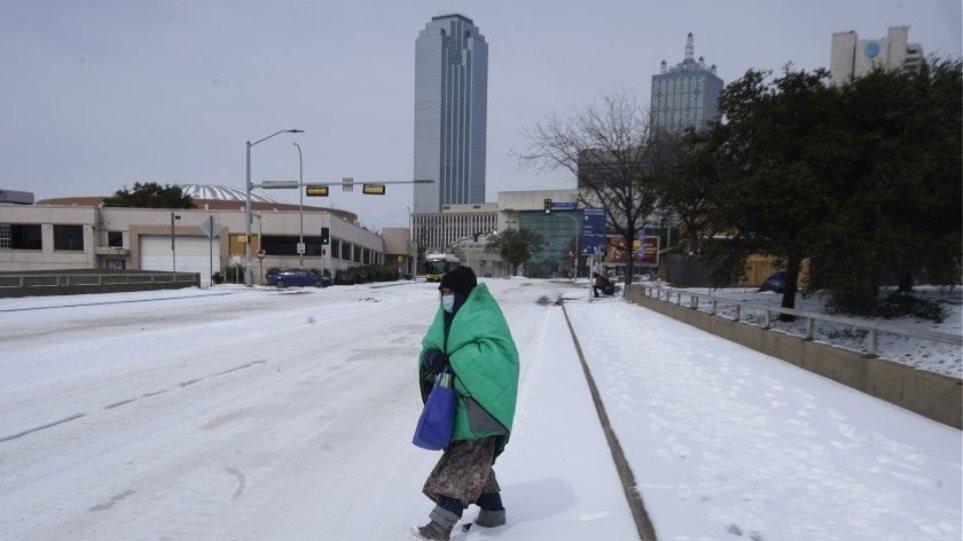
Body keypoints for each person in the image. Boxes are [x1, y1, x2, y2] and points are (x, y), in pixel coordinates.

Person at [414, 266, 520, 540]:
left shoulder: (484, 316)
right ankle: (493, 514)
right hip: (460, 406)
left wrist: (451, 364)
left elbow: (493, 359)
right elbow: (431, 344)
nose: (443, 298)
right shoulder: (449, 316)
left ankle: (439, 526)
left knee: (462, 465)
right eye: (441, 293)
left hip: (482, 408)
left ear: (462, 293)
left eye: (448, 292)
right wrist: (431, 358)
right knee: (475, 462)